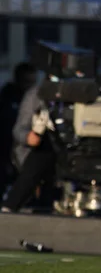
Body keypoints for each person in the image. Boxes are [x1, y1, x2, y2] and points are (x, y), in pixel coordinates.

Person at [1, 84, 57, 213]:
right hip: (38, 151)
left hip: (67, 151)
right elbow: (19, 130)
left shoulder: (85, 92)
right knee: (41, 155)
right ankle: (11, 205)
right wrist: (28, 137)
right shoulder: (36, 94)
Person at [0, 63, 37, 196]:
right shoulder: (8, 98)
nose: (29, 87)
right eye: (27, 82)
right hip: (6, 148)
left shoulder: (35, 99)